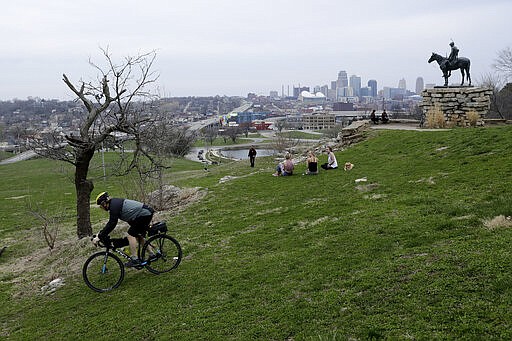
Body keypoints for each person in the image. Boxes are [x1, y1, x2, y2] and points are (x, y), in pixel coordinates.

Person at [93, 192, 155, 267]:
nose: (102, 208)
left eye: (101, 206)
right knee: (137, 235)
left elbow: (112, 223)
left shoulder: (114, 206)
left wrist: (100, 236)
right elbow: (111, 224)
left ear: (104, 203)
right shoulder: (114, 204)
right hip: (144, 214)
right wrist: (100, 233)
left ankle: (135, 259)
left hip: (144, 214)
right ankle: (152, 255)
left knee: (130, 235)